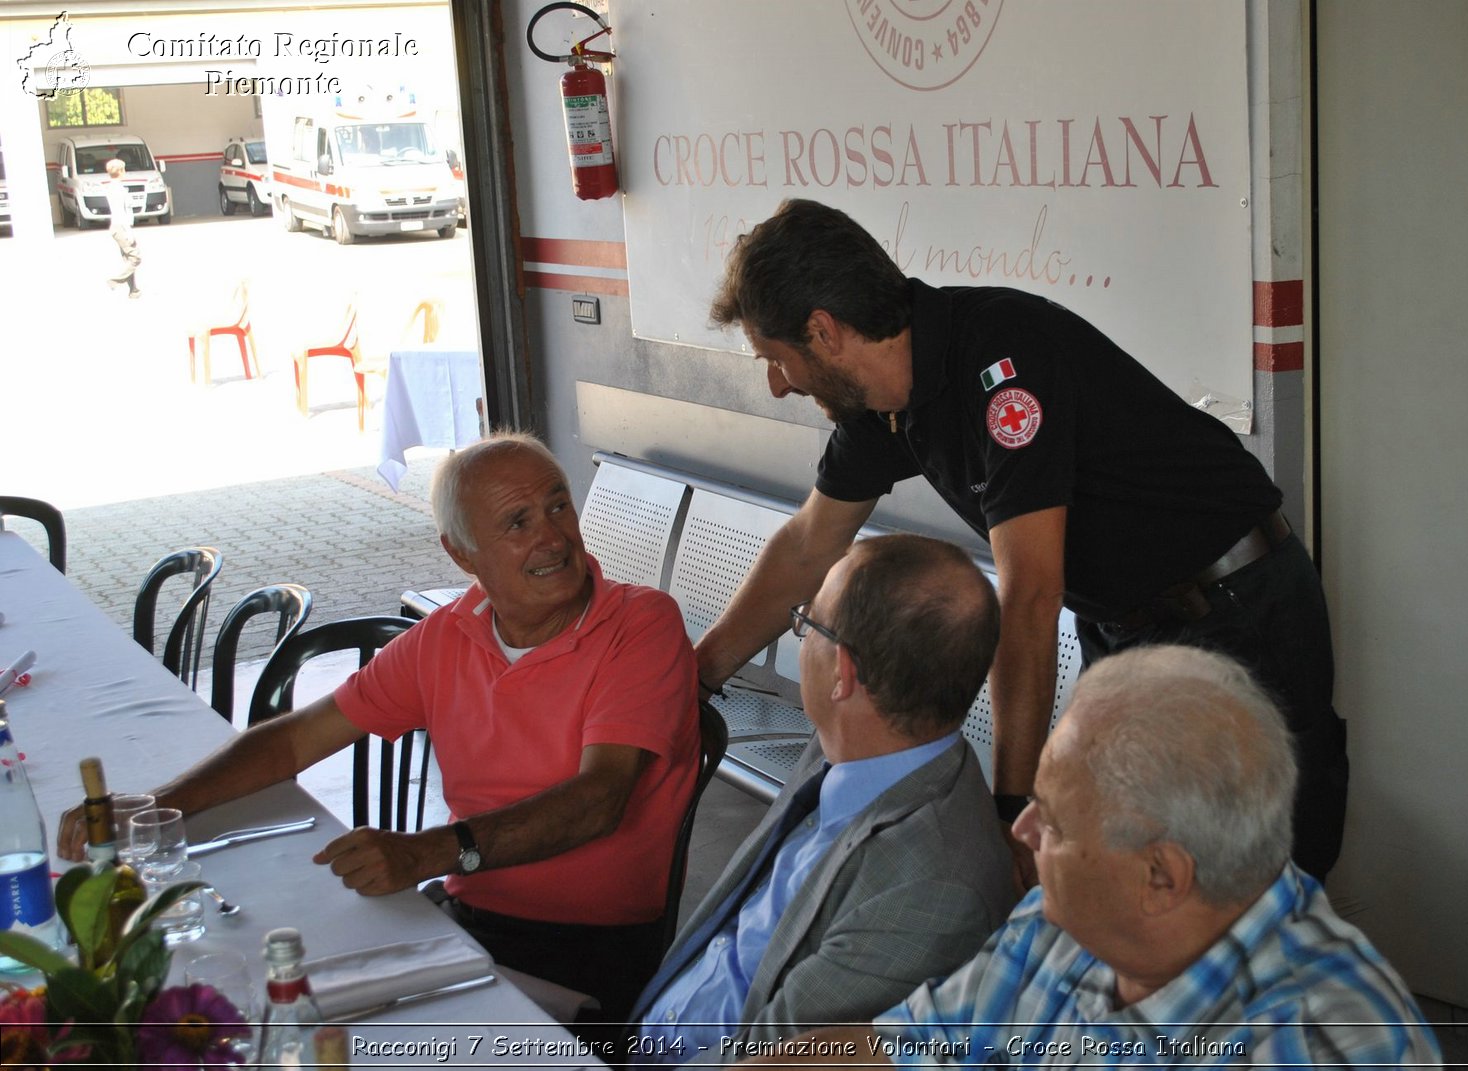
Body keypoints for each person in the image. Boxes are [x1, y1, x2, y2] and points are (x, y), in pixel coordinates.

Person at [695, 198, 1346, 882]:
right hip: (1126, 628)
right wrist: (696, 677)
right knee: (1146, 884)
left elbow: (1031, 595)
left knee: (1259, 880)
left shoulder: (1003, 356)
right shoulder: (882, 407)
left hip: (1233, 610)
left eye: (774, 357)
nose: (775, 384)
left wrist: (1011, 816)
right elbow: (808, 544)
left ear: (824, 331)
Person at [58, 432, 701, 1020]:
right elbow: (295, 738)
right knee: (266, 992)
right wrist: (161, 803)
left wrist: (426, 852)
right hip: (468, 915)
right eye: (517, 523)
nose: (553, 538)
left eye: (558, 507)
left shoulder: (640, 624)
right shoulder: (449, 636)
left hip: (592, 949)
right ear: (461, 553)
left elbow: (598, 801)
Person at [738, 645, 1442, 1069]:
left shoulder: (1318, 1043)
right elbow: (902, 1048)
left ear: (1161, 875)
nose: (1023, 833)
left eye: (1058, 822)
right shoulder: (1065, 924)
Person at [628, 534, 1016, 1065]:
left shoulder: (930, 891)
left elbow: (764, 1059)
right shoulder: (850, 743)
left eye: (807, 623)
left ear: (843, 673)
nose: (800, 632)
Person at [103, 157, 141, 299]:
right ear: (120, 171)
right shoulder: (118, 189)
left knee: (128, 259)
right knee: (135, 258)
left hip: (116, 225)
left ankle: (134, 290)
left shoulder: (110, 187)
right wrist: (129, 232)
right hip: (121, 226)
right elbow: (121, 211)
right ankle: (115, 280)